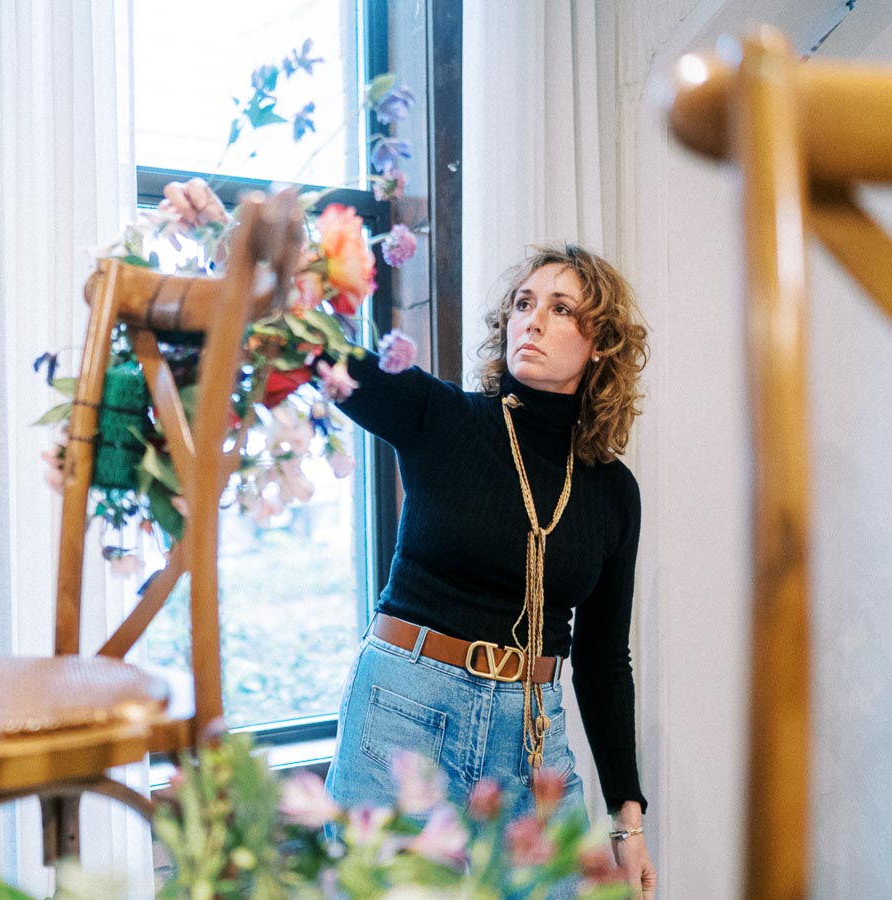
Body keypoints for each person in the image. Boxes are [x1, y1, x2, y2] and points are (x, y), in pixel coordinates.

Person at [162, 181, 657, 898]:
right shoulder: (443, 418)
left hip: (533, 740)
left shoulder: (614, 492)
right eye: (523, 303)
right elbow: (316, 347)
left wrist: (627, 819)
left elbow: (606, 662)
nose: (533, 320)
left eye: (561, 309)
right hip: (405, 711)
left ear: (601, 343)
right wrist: (231, 248)